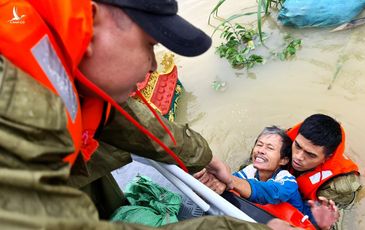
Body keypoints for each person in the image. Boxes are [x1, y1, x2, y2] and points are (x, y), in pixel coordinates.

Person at [0, 0, 289, 229]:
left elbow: (123, 117)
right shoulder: (14, 101)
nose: (153, 65)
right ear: (90, 20)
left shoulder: (62, 57)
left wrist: (205, 157)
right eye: (150, 45)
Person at [197, 114, 360, 229]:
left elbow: (332, 220)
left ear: (327, 157)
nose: (297, 157)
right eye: (297, 147)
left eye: (310, 155)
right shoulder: (285, 142)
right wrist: (222, 181)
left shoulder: (338, 186)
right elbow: (253, 167)